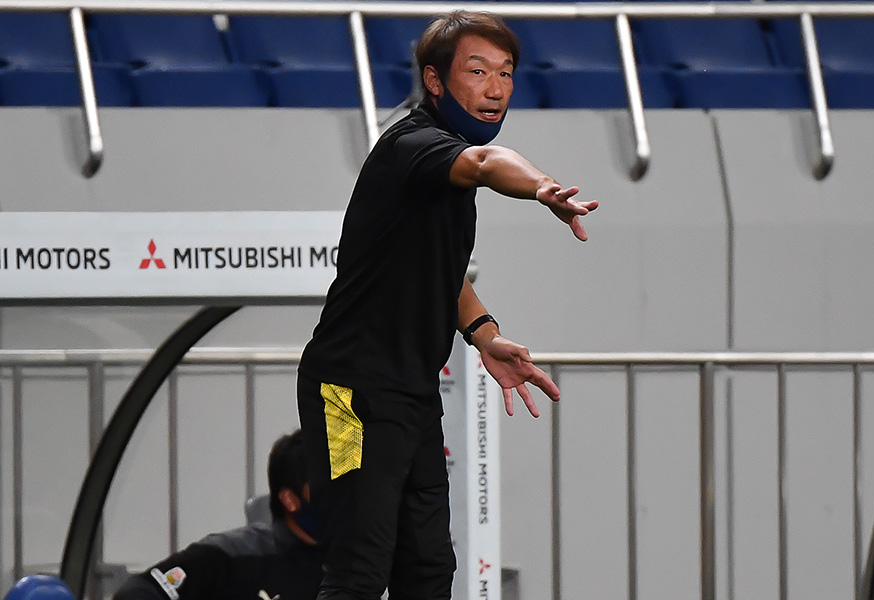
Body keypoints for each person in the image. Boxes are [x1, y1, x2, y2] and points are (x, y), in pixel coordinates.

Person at [296, 10, 599, 600]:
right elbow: (488, 163)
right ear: (434, 81)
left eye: (506, 73)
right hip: (349, 391)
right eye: (478, 71)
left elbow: (439, 270)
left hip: (411, 393)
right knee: (358, 572)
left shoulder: (442, 170)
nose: (496, 88)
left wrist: (485, 334)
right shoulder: (412, 146)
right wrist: (542, 187)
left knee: (429, 572)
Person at [112, 430, 323, 600]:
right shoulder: (237, 556)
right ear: (289, 500)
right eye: (327, 488)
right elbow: (140, 590)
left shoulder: (341, 563)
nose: (338, 500)